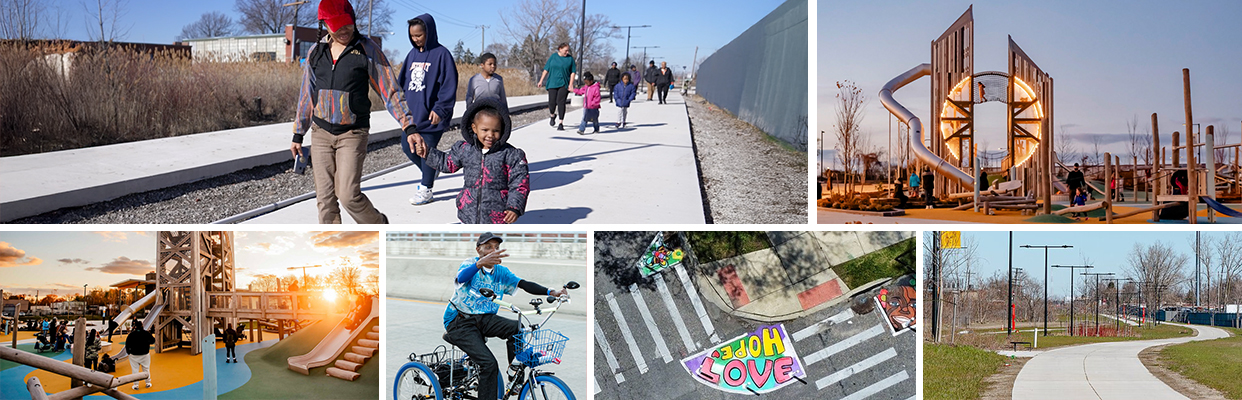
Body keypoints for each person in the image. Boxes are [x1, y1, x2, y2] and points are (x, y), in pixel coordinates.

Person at [291, 0, 410, 224]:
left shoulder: (367, 50)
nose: (344, 30)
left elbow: (390, 90)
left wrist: (408, 125)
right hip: (320, 133)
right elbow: (306, 95)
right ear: (325, 25)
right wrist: (298, 133)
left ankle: (378, 226)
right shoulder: (316, 52)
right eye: (337, 26)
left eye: (347, 24)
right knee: (325, 200)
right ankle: (334, 245)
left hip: (352, 134)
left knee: (347, 195)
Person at [442, 233, 568, 400]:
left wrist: (551, 292)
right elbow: (461, 277)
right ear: (478, 250)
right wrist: (479, 264)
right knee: (489, 364)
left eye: (496, 247)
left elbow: (523, 284)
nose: (493, 251)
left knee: (517, 328)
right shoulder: (470, 264)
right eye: (488, 247)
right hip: (460, 321)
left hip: (484, 319)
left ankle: (515, 379)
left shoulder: (501, 272)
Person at [414, 99, 529, 224]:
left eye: (495, 131)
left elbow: (519, 183)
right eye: (485, 130)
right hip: (468, 212)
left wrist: (514, 207)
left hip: (498, 216)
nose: (490, 135)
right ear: (474, 128)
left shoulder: (511, 155)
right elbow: (448, 163)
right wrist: (428, 153)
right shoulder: (465, 150)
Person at [400, 14, 459, 206]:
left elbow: (449, 85)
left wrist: (441, 109)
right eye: (412, 36)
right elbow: (402, 83)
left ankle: (426, 189)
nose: (416, 39)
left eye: (419, 35)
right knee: (407, 148)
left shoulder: (442, 55)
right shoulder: (412, 55)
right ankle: (432, 169)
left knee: (425, 150)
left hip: (432, 116)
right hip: (413, 117)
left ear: (429, 32)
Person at [536, 43, 576, 131]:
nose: (567, 52)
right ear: (560, 49)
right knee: (552, 102)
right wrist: (541, 80)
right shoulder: (553, 57)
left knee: (561, 102)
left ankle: (561, 123)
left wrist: (571, 84)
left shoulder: (570, 59)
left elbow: (573, 72)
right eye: (565, 50)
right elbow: (546, 69)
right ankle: (552, 115)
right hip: (552, 83)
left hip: (564, 83)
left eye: (568, 50)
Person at [125, 324, 155, 390]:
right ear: (142, 326)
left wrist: (129, 352)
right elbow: (153, 341)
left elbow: (127, 344)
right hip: (145, 354)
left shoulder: (131, 334)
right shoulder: (146, 333)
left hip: (134, 355)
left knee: (135, 370)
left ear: (135, 327)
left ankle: (136, 385)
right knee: (146, 369)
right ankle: (148, 383)